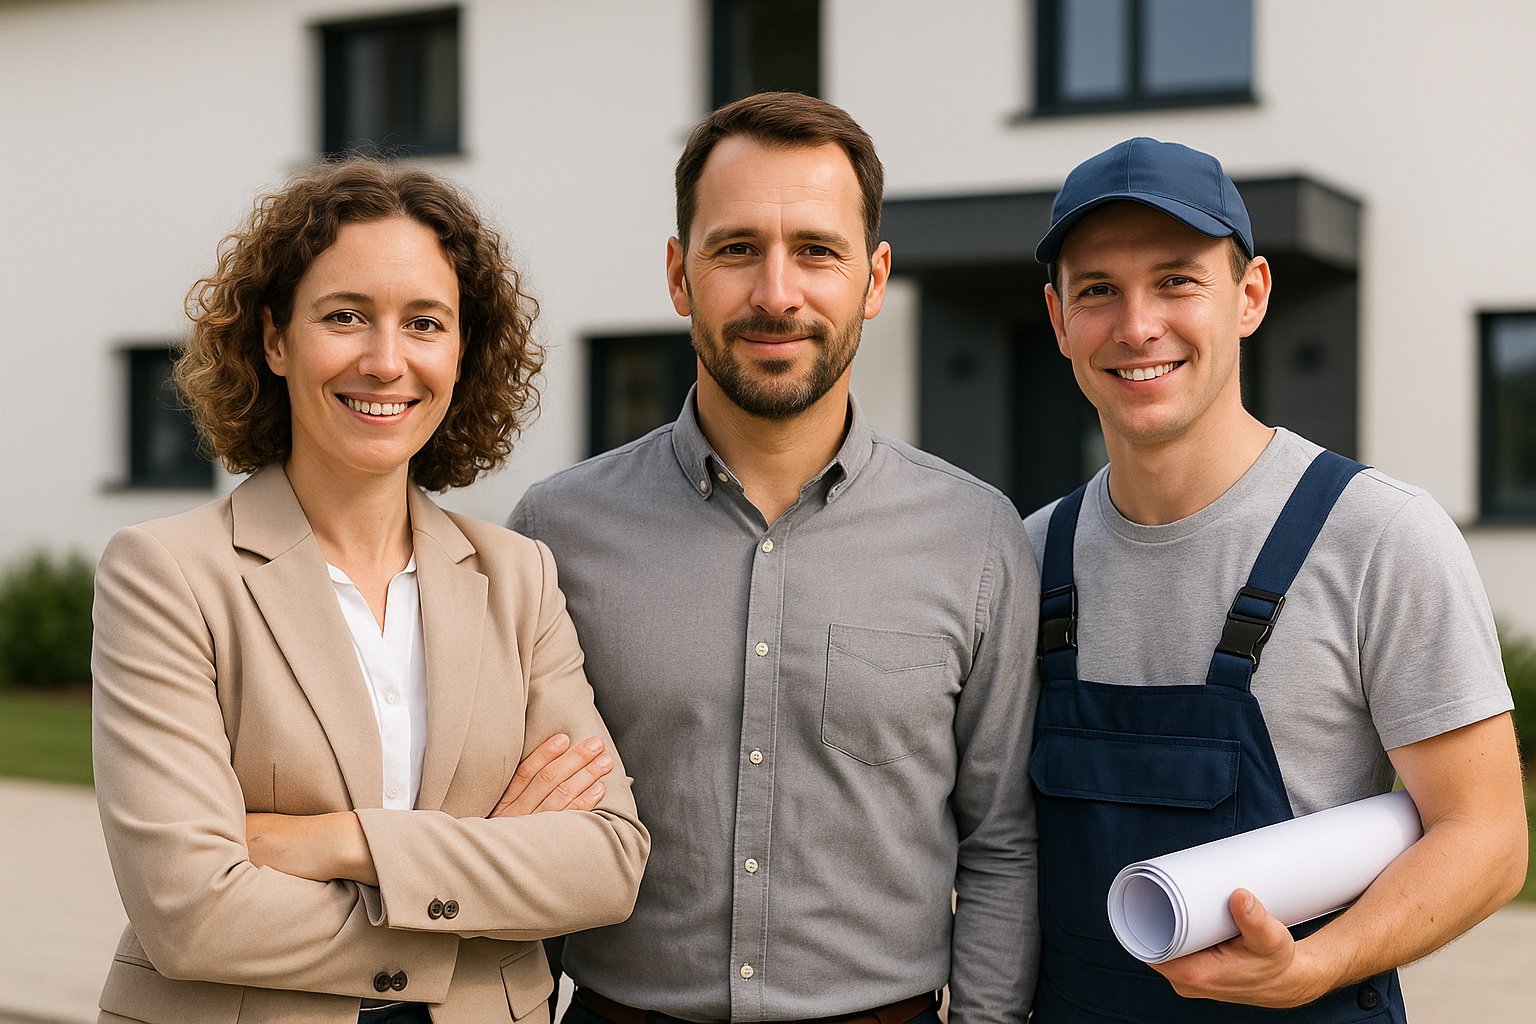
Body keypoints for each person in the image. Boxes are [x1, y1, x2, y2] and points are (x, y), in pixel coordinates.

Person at [511, 93, 1039, 1024]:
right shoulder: (556, 534)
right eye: (737, 249)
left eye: (818, 251)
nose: (777, 293)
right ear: (678, 275)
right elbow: (522, 834)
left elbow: (1001, 846)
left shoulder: (976, 537)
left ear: (874, 279)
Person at [90, 161, 649, 1024]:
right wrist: (484, 878)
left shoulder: (519, 578)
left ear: (460, 352)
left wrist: (335, 843)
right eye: (345, 316)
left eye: (424, 323)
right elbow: (190, 913)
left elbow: (606, 863)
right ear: (275, 341)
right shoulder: (168, 575)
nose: (387, 362)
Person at [1024, 137, 1528, 1022]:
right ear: (1059, 319)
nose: (1136, 326)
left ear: (1250, 295)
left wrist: (1317, 965)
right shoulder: (1028, 558)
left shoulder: (1378, 537)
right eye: (1097, 289)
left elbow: (1487, 839)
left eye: (1177, 281)